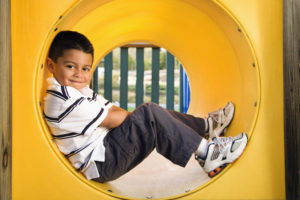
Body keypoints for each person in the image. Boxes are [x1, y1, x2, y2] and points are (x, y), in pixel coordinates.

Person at [43, 30, 248, 182]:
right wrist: (131, 119)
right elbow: (112, 117)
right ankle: (209, 153)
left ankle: (206, 127)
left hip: (107, 151)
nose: (79, 74)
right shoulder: (62, 99)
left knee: (149, 115)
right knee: (149, 114)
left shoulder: (79, 90)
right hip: (102, 162)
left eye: (86, 68)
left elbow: (115, 112)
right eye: (70, 66)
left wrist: (130, 119)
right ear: (52, 66)